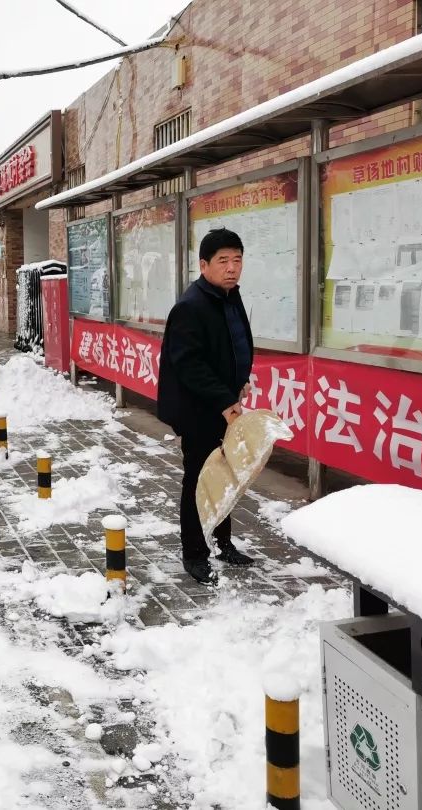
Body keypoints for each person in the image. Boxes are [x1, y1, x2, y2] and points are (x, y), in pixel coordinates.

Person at [157, 227, 255, 586]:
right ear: (204, 265)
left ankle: (222, 542)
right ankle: (195, 553)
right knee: (199, 481)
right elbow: (189, 365)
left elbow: (236, 343)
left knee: (226, 477)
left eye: (237, 260)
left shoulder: (229, 297)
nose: (232, 268)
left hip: (224, 406)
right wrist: (225, 400)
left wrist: (241, 378)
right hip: (200, 411)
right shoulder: (191, 306)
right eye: (223, 261)